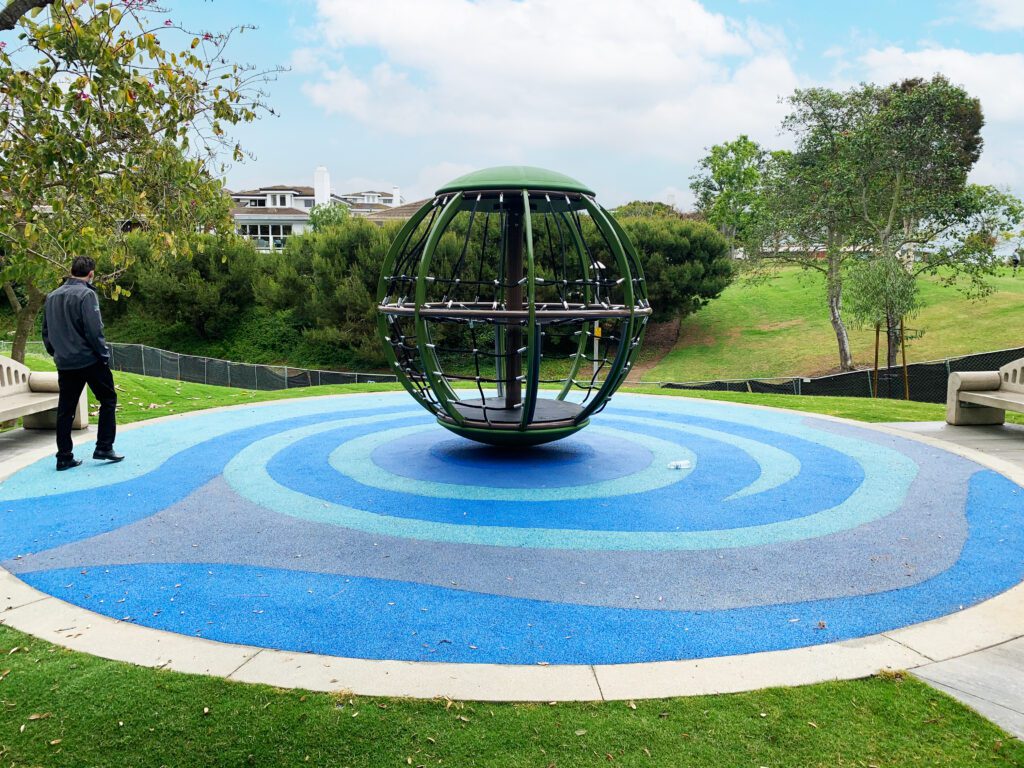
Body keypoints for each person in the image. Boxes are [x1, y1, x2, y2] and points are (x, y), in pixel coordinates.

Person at [42, 256, 123, 471]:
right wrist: (103, 355)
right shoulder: (87, 295)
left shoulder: (52, 296)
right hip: (89, 359)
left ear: (71, 271)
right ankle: (104, 446)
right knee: (108, 399)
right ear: (91, 273)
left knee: (65, 409)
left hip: (65, 362)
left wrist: (57, 353)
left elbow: (46, 331)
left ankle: (64, 456)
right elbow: (94, 330)